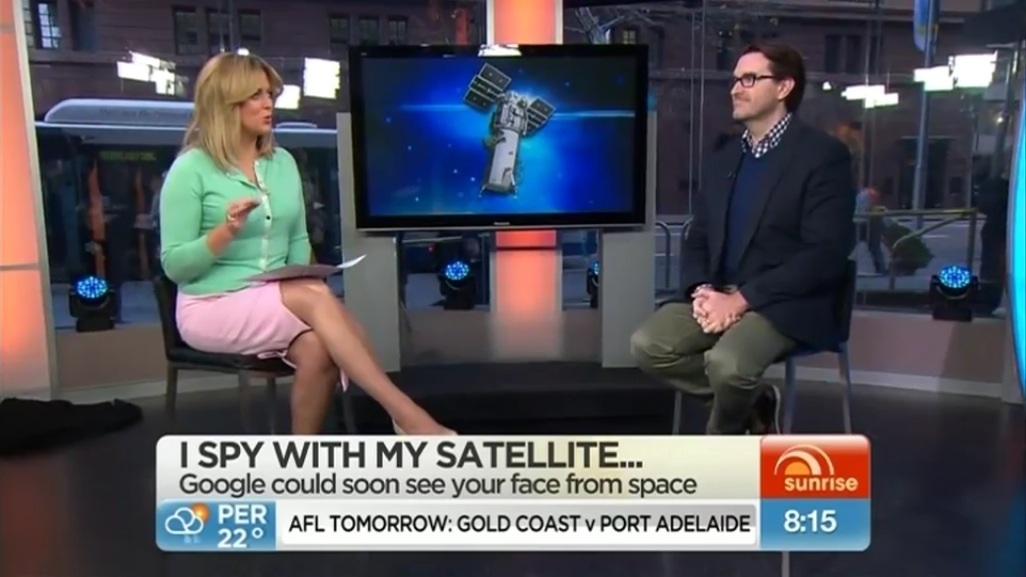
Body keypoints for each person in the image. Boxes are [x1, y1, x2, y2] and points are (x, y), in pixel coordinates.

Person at [159, 53, 453, 436]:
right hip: (211, 305)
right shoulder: (191, 169)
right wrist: (224, 232)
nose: (268, 104)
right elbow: (175, 266)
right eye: (255, 95)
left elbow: (298, 239)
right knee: (315, 298)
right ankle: (407, 416)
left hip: (272, 298)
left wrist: (300, 277)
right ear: (226, 103)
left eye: (270, 94)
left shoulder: (282, 163)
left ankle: (302, 459)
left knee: (318, 347)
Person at [630, 43, 856, 435]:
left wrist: (741, 300)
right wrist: (702, 289)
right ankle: (756, 404)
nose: (736, 88)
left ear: (784, 87)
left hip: (785, 302)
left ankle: (723, 442)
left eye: (749, 79)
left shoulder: (823, 156)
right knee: (648, 344)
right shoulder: (724, 159)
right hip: (719, 293)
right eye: (735, 80)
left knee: (728, 365)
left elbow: (825, 253)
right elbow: (698, 236)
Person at [854, 186, 887, 274]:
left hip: (857, 221)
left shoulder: (862, 194)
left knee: (850, 245)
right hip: (866, 223)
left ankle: (838, 264)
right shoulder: (871, 194)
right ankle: (881, 268)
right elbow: (872, 208)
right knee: (875, 247)